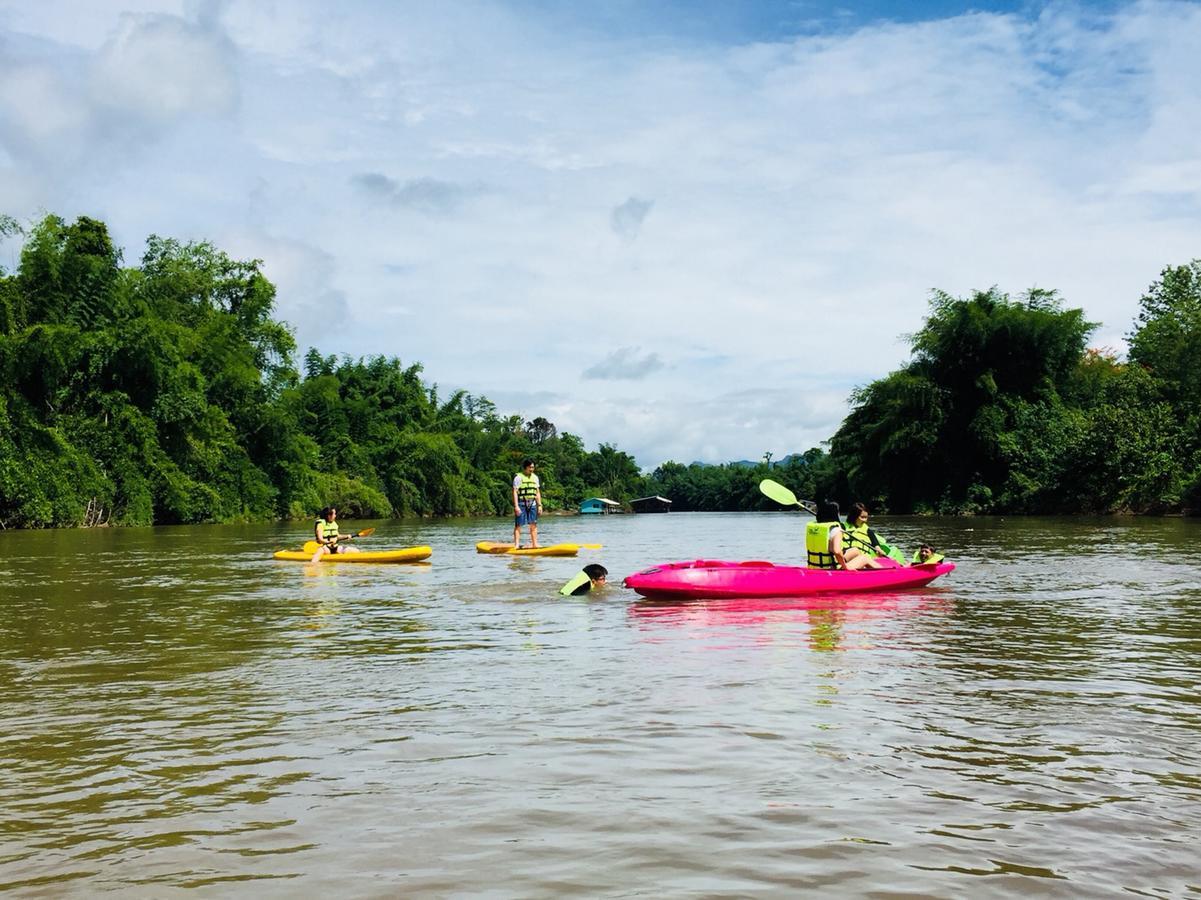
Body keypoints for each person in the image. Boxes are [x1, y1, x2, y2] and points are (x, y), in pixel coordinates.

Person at [804, 500, 882, 571]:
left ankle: (860, 568)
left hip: (817, 565)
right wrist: (845, 567)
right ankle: (888, 573)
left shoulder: (818, 528)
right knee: (864, 558)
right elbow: (837, 551)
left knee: (855, 550)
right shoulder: (837, 530)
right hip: (833, 568)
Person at [512, 458, 543, 548]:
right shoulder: (518, 477)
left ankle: (534, 544)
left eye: (533, 467)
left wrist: (540, 505)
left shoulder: (535, 477)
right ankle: (516, 545)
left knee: (533, 524)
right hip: (521, 503)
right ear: (525, 467)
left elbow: (537, 492)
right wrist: (516, 506)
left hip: (532, 503)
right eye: (530, 467)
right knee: (519, 524)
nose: (532, 469)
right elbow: (514, 491)